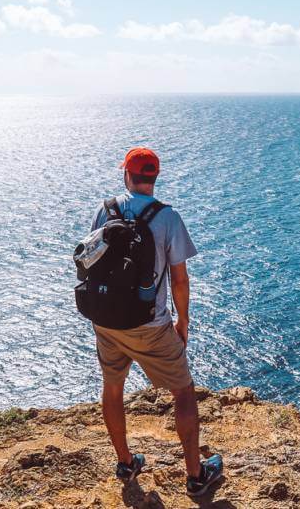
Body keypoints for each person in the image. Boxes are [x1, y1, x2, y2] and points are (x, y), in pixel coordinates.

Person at [88, 146, 223, 497]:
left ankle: (126, 462)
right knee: (183, 391)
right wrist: (183, 322)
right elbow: (179, 279)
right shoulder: (167, 218)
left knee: (113, 387)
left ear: (126, 175)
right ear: (155, 178)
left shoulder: (105, 211)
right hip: (150, 326)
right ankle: (195, 477)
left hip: (106, 320)